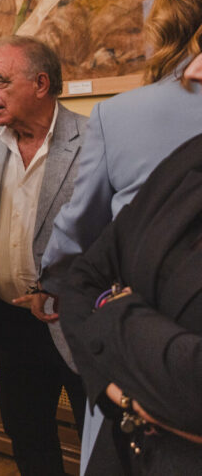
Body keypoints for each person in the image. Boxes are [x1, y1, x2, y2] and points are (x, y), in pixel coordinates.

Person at [37, 0, 202, 471]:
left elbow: (75, 239)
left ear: (170, 17)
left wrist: (55, 286)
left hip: (142, 352)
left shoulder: (122, 116)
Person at [59, 101, 202, 472]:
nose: (192, 73)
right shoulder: (187, 158)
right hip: (121, 451)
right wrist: (124, 397)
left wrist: (115, 310)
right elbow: (82, 280)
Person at [0, 36, 87, 474]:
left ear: (40, 84)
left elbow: (112, 238)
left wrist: (61, 289)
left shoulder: (94, 141)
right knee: (29, 440)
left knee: (100, 443)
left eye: (0, 81)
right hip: (9, 325)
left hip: (75, 322)